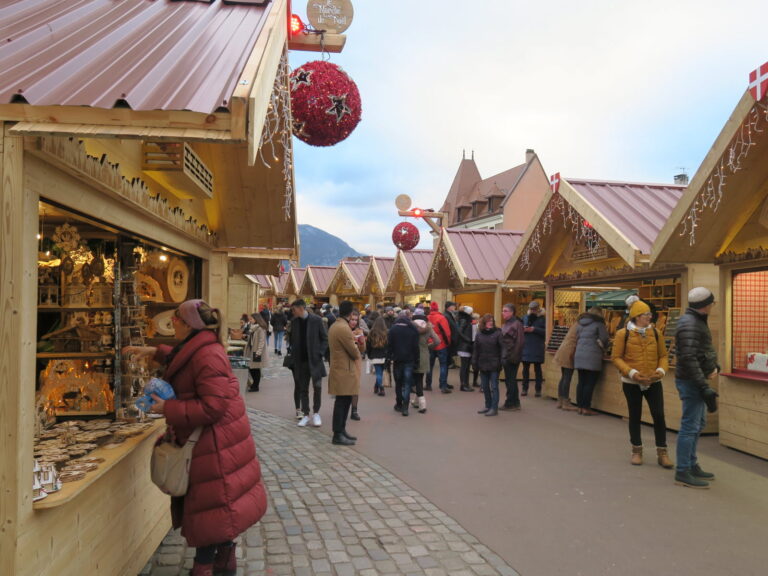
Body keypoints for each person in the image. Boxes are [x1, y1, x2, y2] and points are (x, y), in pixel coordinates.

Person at [124, 300, 266, 576]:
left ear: (188, 325)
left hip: (213, 443)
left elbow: (213, 407)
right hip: (215, 442)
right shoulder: (201, 346)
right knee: (218, 507)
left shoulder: (207, 354)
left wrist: (169, 409)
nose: (171, 326)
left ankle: (203, 568)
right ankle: (224, 562)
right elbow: (184, 359)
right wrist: (156, 352)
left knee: (210, 509)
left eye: (174, 321)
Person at [611, 300, 673, 467]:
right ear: (637, 317)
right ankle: (636, 450)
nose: (649, 317)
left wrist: (661, 371)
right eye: (646, 314)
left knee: (659, 415)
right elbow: (616, 357)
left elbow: (663, 355)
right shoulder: (623, 334)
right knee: (635, 415)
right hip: (631, 382)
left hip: (653, 380)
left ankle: (662, 452)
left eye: (649, 314)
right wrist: (632, 373)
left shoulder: (656, 332)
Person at [674, 287, 720, 489]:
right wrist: (704, 386)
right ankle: (683, 470)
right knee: (690, 426)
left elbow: (699, 352)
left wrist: (713, 366)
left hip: (694, 379)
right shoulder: (691, 323)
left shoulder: (693, 321)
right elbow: (689, 358)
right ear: (706, 305)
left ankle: (691, 464)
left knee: (697, 424)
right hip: (692, 382)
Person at [288, 299, 328, 427]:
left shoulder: (316, 320)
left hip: (314, 361)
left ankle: (316, 413)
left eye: (294, 309)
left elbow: (324, 338)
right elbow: (292, 340)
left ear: (301, 308)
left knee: (317, 387)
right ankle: (306, 414)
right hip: (301, 362)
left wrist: (320, 353)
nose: (292, 312)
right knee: (303, 388)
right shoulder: (294, 322)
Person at [328, 301, 362, 445]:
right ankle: (338, 433)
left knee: (344, 401)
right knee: (342, 403)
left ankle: (341, 431)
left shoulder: (337, 325)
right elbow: (354, 352)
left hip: (341, 369)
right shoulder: (343, 328)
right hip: (344, 370)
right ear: (350, 314)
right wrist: (356, 343)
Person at [574, 306, 609, 415]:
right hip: (592, 356)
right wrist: (605, 347)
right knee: (590, 382)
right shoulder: (599, 324)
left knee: (581, 382)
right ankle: (586, 407)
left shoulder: (580, 324)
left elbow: (577, 337)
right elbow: (604, 338)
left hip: (579, 355)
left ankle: (579, 407)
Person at [388, 311, 420, 416]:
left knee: (398, 383)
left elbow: (389, 346)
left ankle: (399, 403)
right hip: (409, 360)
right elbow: (416, 347)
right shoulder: (412, 330)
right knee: (407, 384)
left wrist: (388, 358)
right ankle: (405, 407)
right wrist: (417, 360)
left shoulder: (393, 330)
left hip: (397, 360)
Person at [473, 313, 504, 416]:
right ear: (484, 323)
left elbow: (502, 348)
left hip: (494, 364)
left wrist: (501, 362)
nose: (491, 323)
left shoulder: (498, 333)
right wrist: (474, 362)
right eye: (488, 321)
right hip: (482, 363)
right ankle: (488, 405)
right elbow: (476, 350)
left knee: (494, 387)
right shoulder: (479, 334)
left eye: (492, 321)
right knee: (485, 387)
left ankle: (494, 408)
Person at [411, 308, 439, 413]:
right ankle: (416, 401)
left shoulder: (411, 328)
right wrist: (428, 347)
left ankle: (423, 404)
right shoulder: (428, 328)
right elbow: (437, 341)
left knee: (416, 381)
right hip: (424, 356)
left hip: (414, 356)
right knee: (420, 379)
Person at [500, 303, 524, 411]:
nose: (503, 313)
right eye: (502, 311)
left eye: (505, 311)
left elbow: (520, 342)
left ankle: (510, 402)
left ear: (512, 312)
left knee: (510, 380)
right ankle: (515, 402)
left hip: (511, 356)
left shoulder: (516, 324)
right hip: (506, 355)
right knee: (510, 380)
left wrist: (514, 356)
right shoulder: (507, 324)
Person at [426, 301, 452, 393]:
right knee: (443, 365)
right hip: (441, 344)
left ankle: (428, 385)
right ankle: (443, 386)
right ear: (438, 309)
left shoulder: (427, 318)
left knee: (429, 366)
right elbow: (447, 332)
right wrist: (448, 343)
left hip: (430, 344)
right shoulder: (441, 318)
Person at [521, 301, 546, 397]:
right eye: (531, 309)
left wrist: (534, 329)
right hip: (526, 346)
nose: (532, 311)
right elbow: (519, 329)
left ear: (538, 309)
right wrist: (523, 329)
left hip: (537, 346)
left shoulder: (543, 319)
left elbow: (546, 332)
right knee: (525, 369)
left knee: (538, 370)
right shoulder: (525, 317)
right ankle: (524, 388)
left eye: (534, 309)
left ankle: (538, 389)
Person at [553, 323, 579, 411]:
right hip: (569, 352)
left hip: (563, 350)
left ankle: (560, 401)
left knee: (564, 377)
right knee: (567, 378)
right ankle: (565, 402)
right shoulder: (582, 326)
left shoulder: (575, 325)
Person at [349, 310, 367, 421]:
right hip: (345, 361)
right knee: (346, 387)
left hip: (356, 361)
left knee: (355, 386)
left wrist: (361, 342)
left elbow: (363, 349)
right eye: (352, 320)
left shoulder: (359, 330)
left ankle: (354, 410)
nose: (354, 322)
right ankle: (344, 408)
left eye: (356, 320)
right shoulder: (344, 331)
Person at [243, 312, 268, 392]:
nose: (250, 320)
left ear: (256, 319)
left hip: (256, 351)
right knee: (251, 367)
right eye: (250, 319)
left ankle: (255, 386)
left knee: (255, 368)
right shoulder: (253, 328)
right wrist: (247, 336)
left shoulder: (260, 328)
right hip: (251, 350)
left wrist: (258, 352)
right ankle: (254, 384)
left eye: (251, 319)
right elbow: (251, 338)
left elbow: (261, 341)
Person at [366, 317, 389, 396]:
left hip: (375, 355)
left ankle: (380, 388)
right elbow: (388, 345)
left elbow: (368, 346)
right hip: (384, 355)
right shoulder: (386, 332)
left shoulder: (371, 333)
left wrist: (369, 355)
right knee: (381, 373)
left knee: (378, 373)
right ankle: (377, 386)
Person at [456, 306, 474, 391]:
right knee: (464, 367)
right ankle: (463, 385)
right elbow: (459, 331)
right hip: (465, 346)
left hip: (466, 345)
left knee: (466, 366)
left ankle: (466, 384)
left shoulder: (465, 319)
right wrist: (467, 339)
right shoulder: (464, 320)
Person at [444, 301, 460, 368]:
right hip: (449, 338)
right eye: (453, 306)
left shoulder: (450, 315)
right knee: (448, 354)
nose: (455, 307)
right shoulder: (446, 315)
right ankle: (449, 363)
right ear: (449, 307)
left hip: (451, 338)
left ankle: (450, 363)